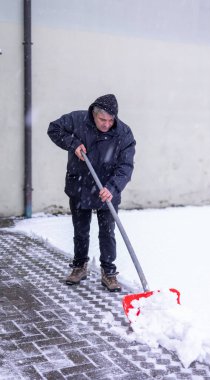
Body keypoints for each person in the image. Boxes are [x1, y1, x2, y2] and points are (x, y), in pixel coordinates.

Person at [47, 94, 136, 292]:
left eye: (110, 120)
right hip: (80, 184)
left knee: (107, 232)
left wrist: (112, 188)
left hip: (107, 190)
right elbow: (54, 128)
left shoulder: (123, 133)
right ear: (94, 114)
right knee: (80, 231)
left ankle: (109, 272)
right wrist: (72, 143)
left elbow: (126, 166)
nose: (106, 124)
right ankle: (79, 267)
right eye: (102, 119)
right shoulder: (77, 120)